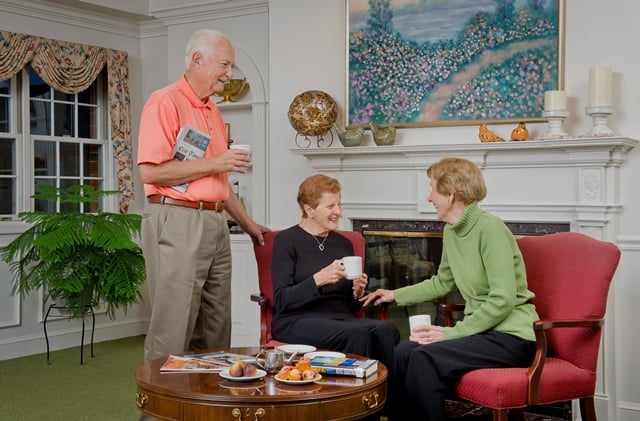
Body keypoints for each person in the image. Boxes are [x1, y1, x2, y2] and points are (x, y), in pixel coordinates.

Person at [361, 157, 539, 420]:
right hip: (481, 333)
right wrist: (395, 294)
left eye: (432, 188)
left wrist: (452, 333)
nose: (429, 197)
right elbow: (442, 282)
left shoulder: (490, 228)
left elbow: (502, 299)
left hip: (513, 336)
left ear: (450, 193)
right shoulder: (452, 232)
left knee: (424, 357)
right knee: (402, 352)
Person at [137, 29, 269, 362]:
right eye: (224, 64)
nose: (229, 73)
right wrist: (215, 161)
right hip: (177, 218)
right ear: (197, 60)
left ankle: (208, 404)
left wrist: (250, 224)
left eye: (231, 66)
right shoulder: (164, 102)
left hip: (214, 221)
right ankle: (159, 412)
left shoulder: (212, 110)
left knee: (216, 322)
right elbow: (150, 173)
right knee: (174, 323)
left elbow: (219, 185)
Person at [271, 174, 399, 372]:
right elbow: (282, 300)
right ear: (309, 210)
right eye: (330, 206)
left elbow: (349, 304)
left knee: (386, 330)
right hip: (295, 319)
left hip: (340, 318)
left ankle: (388, 400)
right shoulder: (286, 241)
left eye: (339, 204)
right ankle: (353, 399)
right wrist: (318, 279)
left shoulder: (343, 243)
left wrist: (357, 292)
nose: (338, 212)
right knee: (356, 333)